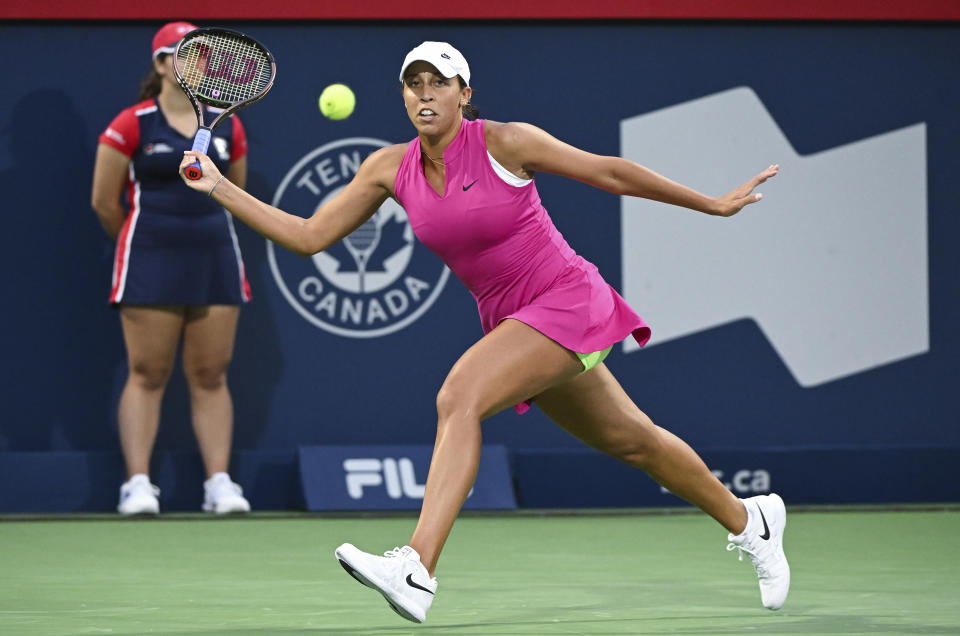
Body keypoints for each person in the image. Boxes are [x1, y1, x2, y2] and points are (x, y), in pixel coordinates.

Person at [179, 41, 789, 621]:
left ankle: (416, 567)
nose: (425, 94)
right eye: (413, 84)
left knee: (459, 395)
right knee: (636, 443)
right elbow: (309, 237)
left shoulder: (506, 141)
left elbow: (609, 173)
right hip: (514, 322)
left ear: (463, 93)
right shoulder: (389, 168)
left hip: (567, 299)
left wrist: (710, 204)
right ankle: (750, 521)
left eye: (438, 83)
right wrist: (219, 186)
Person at [92, 21, 252, 516]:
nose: (200, 63)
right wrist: (144, 245)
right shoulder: (131, 123)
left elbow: (237, 198)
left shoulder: (230, 125)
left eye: (205, 55)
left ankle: (219, 484)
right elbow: (103, 201)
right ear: (161, 64)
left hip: (215, 258)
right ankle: (137, 485)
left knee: (210, 373)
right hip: (149, 258)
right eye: (187, 54)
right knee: (147, 371)